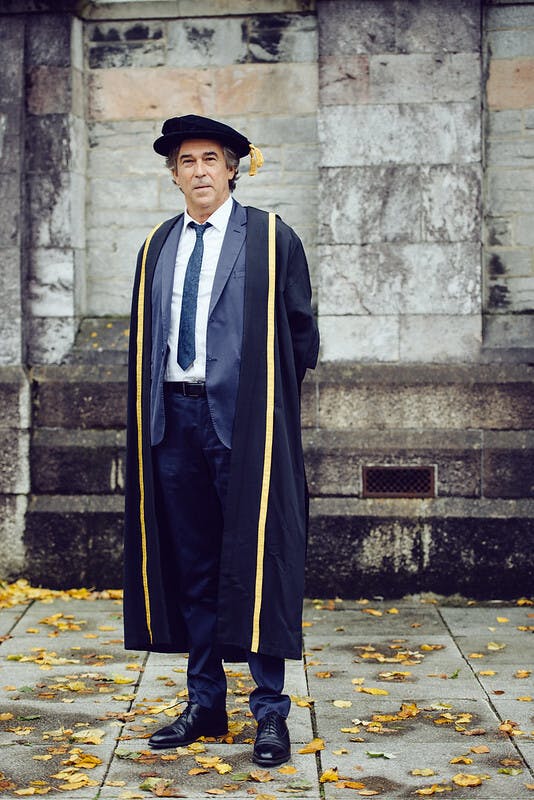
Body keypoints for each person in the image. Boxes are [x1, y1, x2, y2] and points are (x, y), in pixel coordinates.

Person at [123, 114, 319, 767]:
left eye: (211, 158)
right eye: (187, 161)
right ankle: (206, 704)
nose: (200, 170)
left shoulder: (269, 238)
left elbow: (301, 335)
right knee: (195, 566)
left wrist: (263, 403)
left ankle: (270, 714)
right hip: (173, 421)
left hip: (244, 421)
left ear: (234, 167)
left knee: (259, 560)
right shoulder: (157, 244)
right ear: (174, 173)